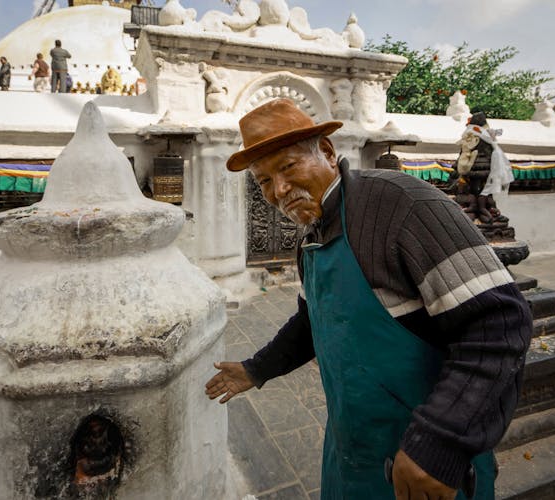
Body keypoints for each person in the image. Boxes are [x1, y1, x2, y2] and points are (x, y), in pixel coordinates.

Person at [205, 99, 532, 499]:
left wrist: (441, 441)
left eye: (288, 168)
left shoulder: (403, 204)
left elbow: (499, 324)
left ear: (326, 152)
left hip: (423, 467)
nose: (279, 190)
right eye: (264, 181)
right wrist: (256, 369)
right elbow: (315, 320)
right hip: (351, 454)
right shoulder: (311, 232)